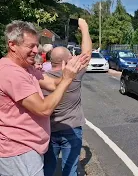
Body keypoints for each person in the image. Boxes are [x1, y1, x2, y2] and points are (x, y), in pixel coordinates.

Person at [0, 20, 89, 176]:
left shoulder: (26, 68)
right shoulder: (11, 73)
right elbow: (44, 109)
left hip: (31, 148)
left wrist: (69, 72)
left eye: (37, 45)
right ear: (12, 45)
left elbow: (54, 84)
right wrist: (68, 78)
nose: (36, 50)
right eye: (30, 46)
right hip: (19, 151)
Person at [42, 18, 92, 176]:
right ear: (66, 61)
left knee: (47, 168)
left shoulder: (41, 78)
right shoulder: (74, 75)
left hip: (49, 130)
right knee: (70, 169)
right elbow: (87, 54)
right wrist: (84, 28)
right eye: (71, 57)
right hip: (72, 129)